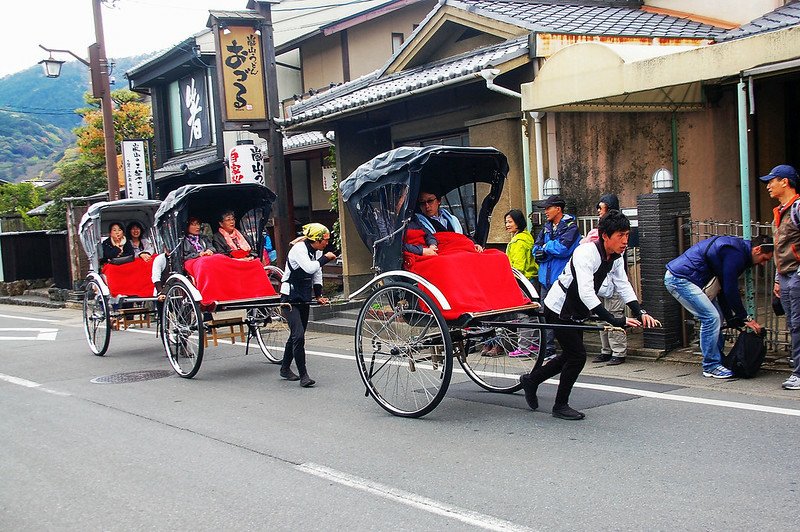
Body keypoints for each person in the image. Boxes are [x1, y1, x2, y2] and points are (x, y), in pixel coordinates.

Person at [519, 211, 661, 420]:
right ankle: (560, 405)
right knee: (577, 356)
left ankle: (531, 381)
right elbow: (586, 292)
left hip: (577, 310)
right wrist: (613, 320)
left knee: (569, 354)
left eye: (627, 235)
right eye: (620, 235)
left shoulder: (616, 257)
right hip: (559, 308)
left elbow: (623, 285)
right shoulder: (585, 253)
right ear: (605, 235)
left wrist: (640, 312)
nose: (625, 241)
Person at [664, 235, 773, 379]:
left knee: (717, 316)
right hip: (679, 279)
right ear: (757, 250)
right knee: (711, 318)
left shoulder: (738, 252)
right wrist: (744, 317)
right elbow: (729, 288)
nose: (763, 264)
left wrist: (730, 317)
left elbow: (722, 288)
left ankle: (718, 360)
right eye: (765, 259)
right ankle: (711, 365)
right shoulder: (736, 253)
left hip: (686, 278)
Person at [279, 223, 337, 388]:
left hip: (303, 296)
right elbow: (310, 267)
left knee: (296, 335)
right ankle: (304, 376)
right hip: (289, 297)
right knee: (298, 336)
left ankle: (284, 368)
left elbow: (317, 274)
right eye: (325, 240)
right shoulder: (299, 249)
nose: (327, 243)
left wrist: (319, 295)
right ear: (316, 239)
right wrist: (326, 258)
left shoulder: (317, 250)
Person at [760, 164, 800, 390]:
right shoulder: (781, 210)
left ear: (785, 182)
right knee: (794, 324)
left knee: (797, 324)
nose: (768, 186)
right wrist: (777, 278)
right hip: (786, 276)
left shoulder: (797, 208)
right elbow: (779, 248)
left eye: (772, 180)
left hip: (796, 275)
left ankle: (799, 373)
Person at [532, 195, 581, 361]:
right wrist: (544, 251)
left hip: (562, 279)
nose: (545, 211)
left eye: (548, 208)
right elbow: (536, 250)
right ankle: (548, 348)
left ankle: (570, 349)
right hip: (545, 278)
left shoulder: (571, 227)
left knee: (564, 315)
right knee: (545, 314)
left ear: (558, 209)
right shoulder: (546, 228)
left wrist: (546, 248)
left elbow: (563, 249)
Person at [582, 194, 628, 365]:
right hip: (600, 280)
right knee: (601, 315)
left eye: (602, 208)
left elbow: (586, 242)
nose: (599, 212)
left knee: (614, 314)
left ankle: (618, 351)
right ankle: (606, 350)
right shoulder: (599, 230)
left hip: (613, 280)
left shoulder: (617, 229)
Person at [497, 208, 538, 358]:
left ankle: (524, 346)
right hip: (530, 279)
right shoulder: (525, 238)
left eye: (510, 222)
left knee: (523, 314)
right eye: (506, 222)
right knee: (531, 314)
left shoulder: (519, 241)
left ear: (518, 223)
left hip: (521, 280)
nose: (507, 225)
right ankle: (533, 344)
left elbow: (518, 266)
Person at [414, 189, 482, 252]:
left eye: (430, 201)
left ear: (439, 200)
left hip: (461, 249)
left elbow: (463, 236)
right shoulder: (417, 222)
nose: (427, 206)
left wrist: (475, 244)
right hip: (443, 253)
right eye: (422, 202)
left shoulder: (452, 219)